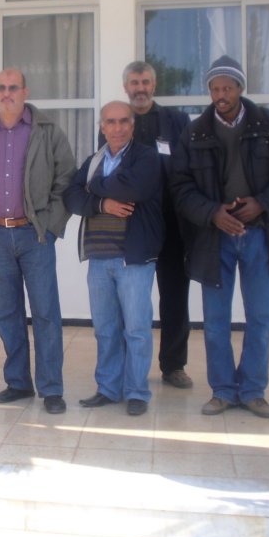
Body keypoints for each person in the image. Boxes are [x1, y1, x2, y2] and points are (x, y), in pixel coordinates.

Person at [171, 55, 269, 419]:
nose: (221, 95)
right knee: (215, 320)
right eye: (214, 88)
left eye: (227, 88)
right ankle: (223, 391)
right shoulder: (194, 132)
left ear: (240, 88)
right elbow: (180, 187)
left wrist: (262, 203)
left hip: (260, 235)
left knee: (259, 317)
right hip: (215, 240)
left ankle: (253, 391)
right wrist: (213, 213)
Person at [0, 67, 77, 415]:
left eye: (13, 87)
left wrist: (50, 227)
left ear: (25, 92)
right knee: (7, 313)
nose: (7, 93)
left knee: (45, 313)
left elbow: (66, 180)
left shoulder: (48, 131)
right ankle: (18, 383)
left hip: (35, 234)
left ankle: (51, 388)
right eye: (1, 87)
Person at [64, 101, 163, 417]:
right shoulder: (94, 161)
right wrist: (102, 204)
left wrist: (93, 187)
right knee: (105, 328)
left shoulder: (146, 157)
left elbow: (132, 187)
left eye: (123, 121)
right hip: (98, 258)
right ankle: (108, 388)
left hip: (133, 259)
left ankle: (136, 392)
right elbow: (71, 196)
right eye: (111, 122)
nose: (117, 128)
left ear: (132, 125)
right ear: (102, 127)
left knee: (136, 329)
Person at [119, 61, 194, 390]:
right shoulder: (118, 122)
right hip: (132, 226)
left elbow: (187, 171)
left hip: (172, 224)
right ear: (126, 87)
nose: (140, 88)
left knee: (175, 297)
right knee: (131, 300)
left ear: (154, 84)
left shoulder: (177, 122)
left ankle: (173, 365)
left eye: (145, 82)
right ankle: (128, 364)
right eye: (134, 82)